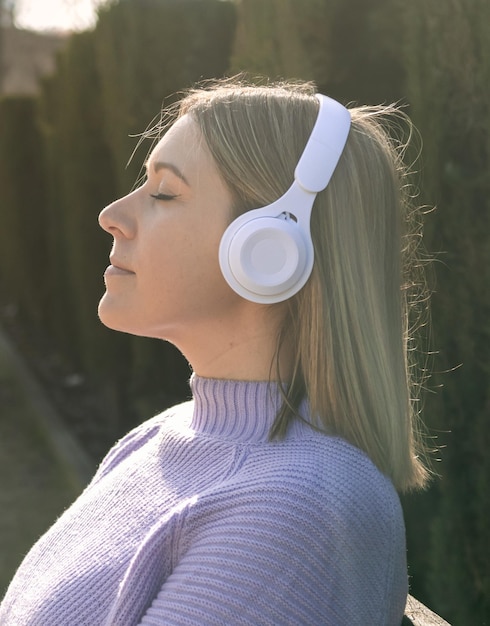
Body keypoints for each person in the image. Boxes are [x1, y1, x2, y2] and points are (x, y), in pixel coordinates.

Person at [0, 78, 430, 625]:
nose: (111, 214)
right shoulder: (161, 436)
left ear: (270, 247)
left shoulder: (300, 511)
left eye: (164, 192)